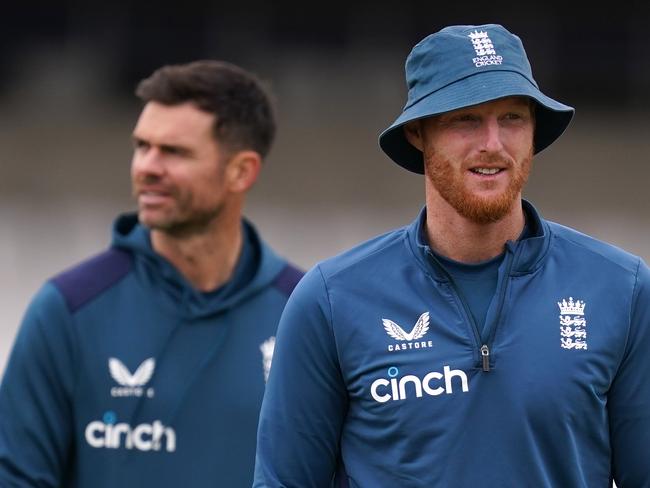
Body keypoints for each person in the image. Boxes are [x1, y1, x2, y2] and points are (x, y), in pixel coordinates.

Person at [253, 23, 650, 487]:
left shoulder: (622, 288)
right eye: (465, 119)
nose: (493, 144)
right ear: (419, 133)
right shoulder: (330, 299)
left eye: (512, 118)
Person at [0, 60, 303, 487]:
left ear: (241, 171)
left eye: (173, 152)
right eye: (142, 146)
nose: (146, 167)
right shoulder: (69, 310)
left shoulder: (307, 313)